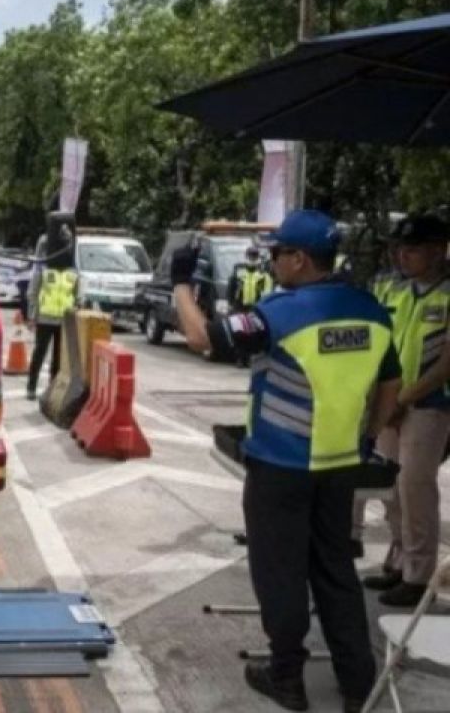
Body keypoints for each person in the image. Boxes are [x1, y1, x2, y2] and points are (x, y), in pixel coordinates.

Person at [172, 210, 399, 713]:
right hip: (341, 465)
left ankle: (287, 678)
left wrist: (182, 286)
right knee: (337, 571)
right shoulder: (371, 311)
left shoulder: (281, 313)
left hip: (282, 467)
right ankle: (358, 683)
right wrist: (367, 433)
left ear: (299, 259)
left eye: (277, 254)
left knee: (280, 574)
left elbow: (201, 337)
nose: (272, 262)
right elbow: (390, 385)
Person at [361, 214, 450, 607]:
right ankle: (397, 560)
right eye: (399, 249)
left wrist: (405, 397)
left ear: (437, 251)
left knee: (416, 488)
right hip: (390, 403)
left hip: (430, 404)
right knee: (390, 488)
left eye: (411, 249)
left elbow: (447, 361)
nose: (402, 256)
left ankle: (419, 574)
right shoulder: (395, 291)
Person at [26, 213, 77, 401]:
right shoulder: (44, 269)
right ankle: (31, 386)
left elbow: (77, 294)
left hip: (64, 319)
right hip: (45, 317)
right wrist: (32, 315)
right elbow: (33, 291)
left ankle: (52, 388)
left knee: (59, 357)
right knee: (39, 352)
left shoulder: (72, 270)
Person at [229, 246, 274, 311]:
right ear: (246, 257)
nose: (252, 259)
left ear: (258, 258)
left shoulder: (264, 275)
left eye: (254, 257)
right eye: (250, 256)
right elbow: (231, 288)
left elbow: (268, 293)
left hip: (257, 308)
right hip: (239, 307)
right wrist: (231, 303)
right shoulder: (238, 272)